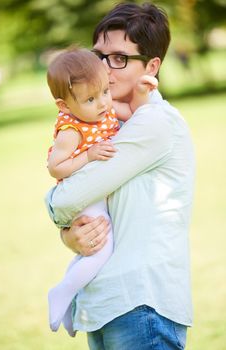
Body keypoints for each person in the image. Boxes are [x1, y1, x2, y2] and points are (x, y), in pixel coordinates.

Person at [45, 2, 195, 349]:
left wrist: (57, 213)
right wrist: (69, 235)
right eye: (98, 55)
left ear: (152, 66)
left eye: (119, 58)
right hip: (104, 303)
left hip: (141, 305)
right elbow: (78, 196)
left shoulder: (154, 123)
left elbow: (67, 197)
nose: (103, 68)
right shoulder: (107, 124)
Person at [46, 47, 157, 336]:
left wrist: (143, 93)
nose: (103, 103)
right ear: (64, 105)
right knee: (100, 251)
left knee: (92, 253)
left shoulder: (104, 110)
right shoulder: (72, 129)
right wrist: (90, 155)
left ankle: (69, 301)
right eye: (91, 99)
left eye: (105, 92)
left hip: (99, 192)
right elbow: (56, 167)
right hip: (86, 196)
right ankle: (60, 293)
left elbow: (136, 113)